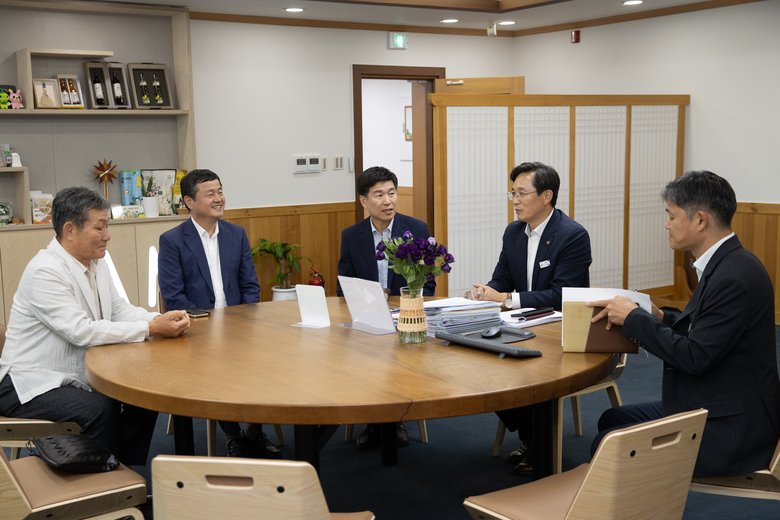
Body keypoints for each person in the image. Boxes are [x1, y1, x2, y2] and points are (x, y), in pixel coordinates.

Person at [588, 170, 780, 478]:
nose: (666, 224)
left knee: (606, 443)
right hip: (719, 400)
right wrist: (661, 317)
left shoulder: (732, 277)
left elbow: (695, 357)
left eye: (671, 216)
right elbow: (708, 329)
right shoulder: (729, 262)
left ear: (700, 220)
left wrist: (633, 318)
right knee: (612, 420)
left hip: (734, 428)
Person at [0, 186, 190, 466]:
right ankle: (108, 484)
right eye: (99, 228)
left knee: (147, 390)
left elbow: (118, 309)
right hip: (28, 384)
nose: (107, 236)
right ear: (70, 230)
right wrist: (152, 328)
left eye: (107, 226)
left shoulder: (94, 262)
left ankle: (120, 468)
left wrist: (157, 319)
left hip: (74, 373)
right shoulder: (46, 271)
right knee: (101, 408)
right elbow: (81, 331)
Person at [472, 162, 592, 475]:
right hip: (524, 323)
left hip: (560, 328)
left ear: (546, 196)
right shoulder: (513, 232)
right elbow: (502, 278)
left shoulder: (572, 236)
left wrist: (507, 299)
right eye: (512, 193)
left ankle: (540, 445)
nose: (515, 200)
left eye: (522, 193)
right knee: (484, 364)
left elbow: (561, 295)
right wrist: (488, 291)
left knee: (529, 371)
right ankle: (531, 437)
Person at [158, 169, 281, 459]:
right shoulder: (173, 240)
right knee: (219, 363)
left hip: (240, 326)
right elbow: (175, 297)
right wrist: (212, 327)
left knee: (271, 358)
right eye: (210, 193)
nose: (219, 198)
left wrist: (244, 321)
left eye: (220, 191)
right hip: (198, 331)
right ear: (189, 201)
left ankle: (253, 429)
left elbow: (250, 286)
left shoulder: (236, 234)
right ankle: (232, 435)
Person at [337, 165, 435, 450]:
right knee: (361, 354)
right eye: (378, 195)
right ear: (364, 201)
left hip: (406, 316)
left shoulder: (415, 229)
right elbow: (342, 287)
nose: (387, 200)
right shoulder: (351, 235)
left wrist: (403, 300)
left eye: (391, 193)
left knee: (395, 356)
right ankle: (374, 419)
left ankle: (393, 420)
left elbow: (428, 286)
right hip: (367, 321)